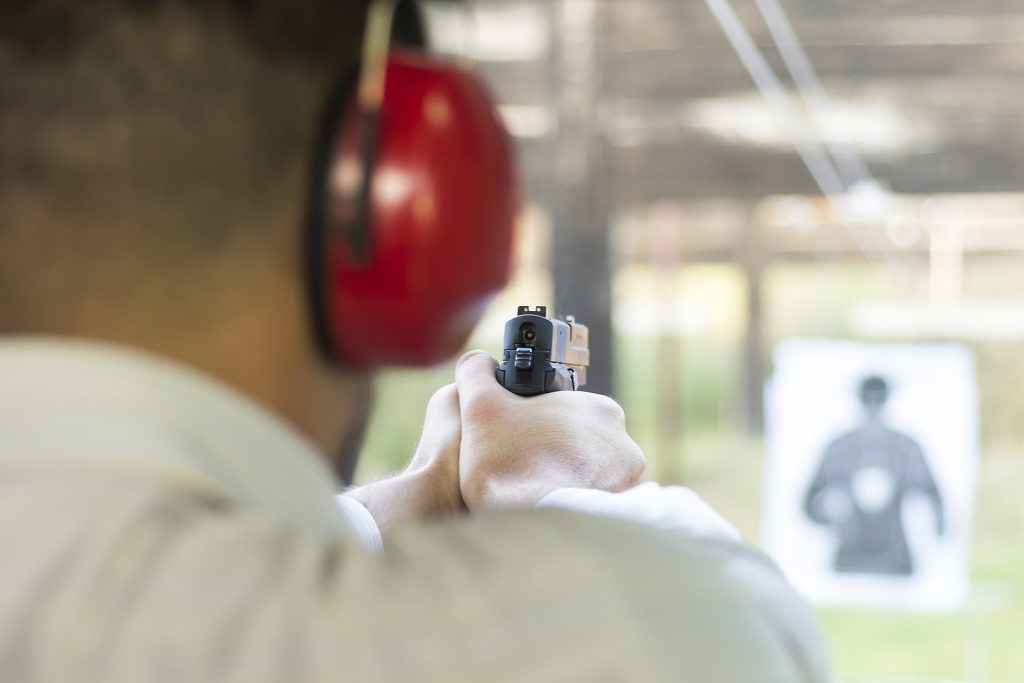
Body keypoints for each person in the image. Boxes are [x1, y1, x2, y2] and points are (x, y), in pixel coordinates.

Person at [0, 1, 830, 680]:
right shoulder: (633, 631)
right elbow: (726, 626)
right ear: (408, 221)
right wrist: (552, 480)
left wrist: (410, 502)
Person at [805, 375, 945, 575]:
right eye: (869, 400)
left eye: (877, 400)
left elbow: (933, 494)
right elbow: (810, 501)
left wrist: (939, 531)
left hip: (895, 558)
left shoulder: (906, 448)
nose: (873, 407)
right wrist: (827, 514)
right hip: (849, 557)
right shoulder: (840, 447)